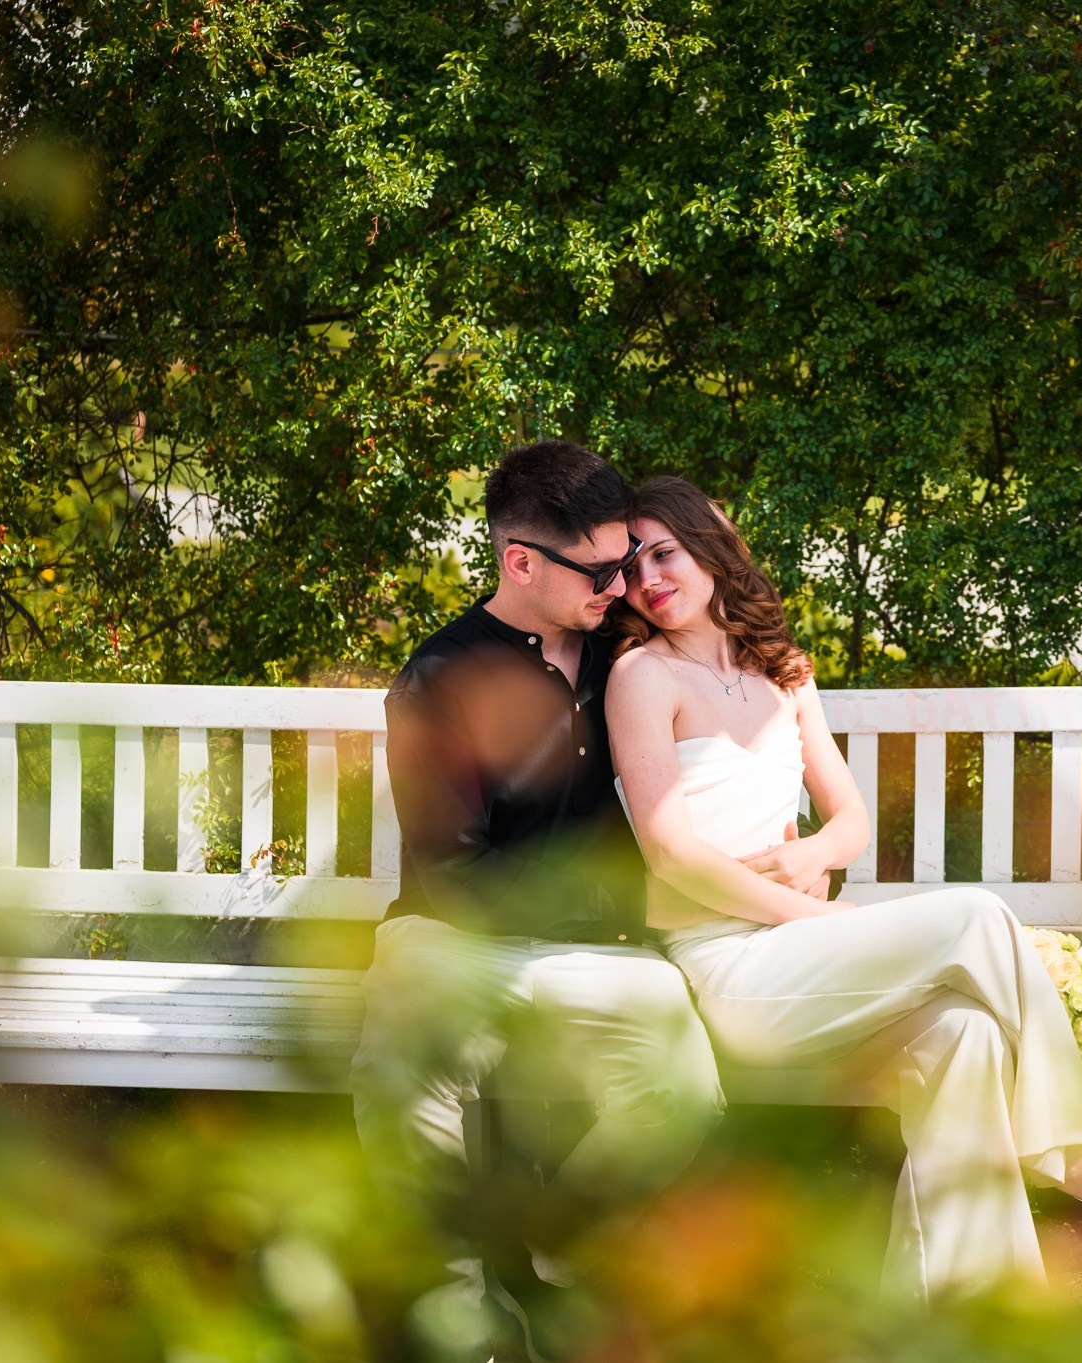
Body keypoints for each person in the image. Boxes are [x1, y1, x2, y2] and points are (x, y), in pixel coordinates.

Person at [604, 475, 1082, 1307]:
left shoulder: (782, 672)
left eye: (663, 553)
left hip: (807, 954)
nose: (647, 579)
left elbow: (850, 819)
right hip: (730, 972)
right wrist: (810, 910)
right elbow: (671, 855)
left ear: (708, 546)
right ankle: (1078, 1158)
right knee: (978, 914)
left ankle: (962, 1311)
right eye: (631, 566)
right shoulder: (641, 676)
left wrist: (815, 852)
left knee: (966, 1035)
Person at [351, 444, 726, 1355]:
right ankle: (453, 1310)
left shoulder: (625, 659)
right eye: (599, 572)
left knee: (685, 1085)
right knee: (403, 1052)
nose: (621, 586)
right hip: (455, 936)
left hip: (601, 950)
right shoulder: (440, 679)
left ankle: (553, 1264)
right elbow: (454, 872)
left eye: (624, 563)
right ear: (520, 562)